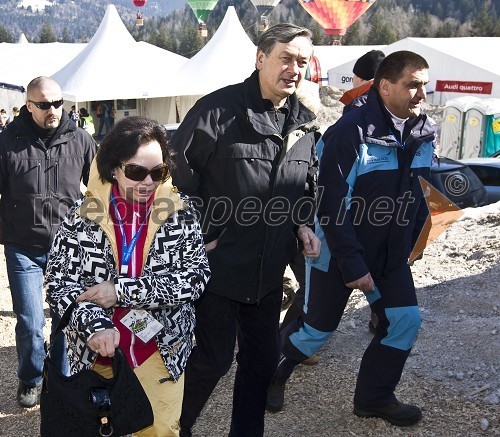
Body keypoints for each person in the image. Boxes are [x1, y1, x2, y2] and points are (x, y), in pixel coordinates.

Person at [266, 51, 436, 427]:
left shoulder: (423, 131)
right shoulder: (350, 131)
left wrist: (413, 243)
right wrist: (355, 266)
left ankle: (374, 397)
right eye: (412, 84)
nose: (421, 93)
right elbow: (331, 206)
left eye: (424, 84)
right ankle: (271, 374)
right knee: (316, 331)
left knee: (405, 320)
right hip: (337, 253)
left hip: (390, 253)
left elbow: (423, 193)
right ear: (385, 86)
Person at [171, 23, 321, 437]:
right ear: (260, 59)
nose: (294, 68)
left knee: (261, 360)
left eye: (302, 61)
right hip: (216, 269)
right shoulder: (216, 111)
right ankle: (171, 428)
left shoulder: (304, 123)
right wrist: (203, 235)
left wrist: (303, 223)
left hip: (268, 273)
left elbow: (303, 184)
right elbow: (174, 184)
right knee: (211, 361)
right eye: (286, 58)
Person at [45, 115, 211, 436]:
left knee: (160, 430)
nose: (148, 182)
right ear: (114, 168)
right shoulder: (81, 219)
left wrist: (122, 291)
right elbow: (60, 285)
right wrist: (95, 327)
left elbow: (195, 277)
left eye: (158, 172)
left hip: (159, 350)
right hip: (99, 358)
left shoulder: (180, 213)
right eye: (136, 172)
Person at [0, 76, 97, 408]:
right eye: (44, 104)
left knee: (65, 319)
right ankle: (31, 377)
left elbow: (100, 188)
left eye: (58, 103)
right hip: (22, 247)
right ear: (28, 105)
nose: (53, 110)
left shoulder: (81, 139)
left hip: (68, 250)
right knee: (30, 322)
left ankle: (60, 378)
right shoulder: (7, 141)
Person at [339, 49, 385, 114]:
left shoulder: (356, 105)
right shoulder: (389, 99)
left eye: (355, 75)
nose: (353, 78)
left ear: (361, 78)